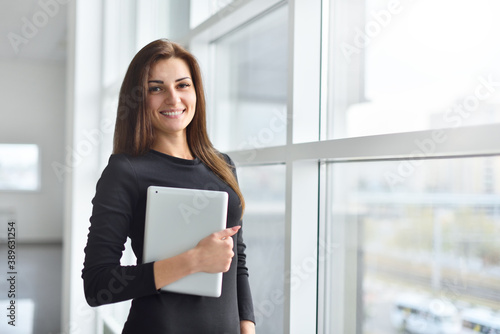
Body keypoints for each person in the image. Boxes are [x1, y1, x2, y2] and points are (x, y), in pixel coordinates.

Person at [82, 39, 256, 333]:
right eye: (156, 88)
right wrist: (194, 261)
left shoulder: (222, 165)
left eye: (182, 85)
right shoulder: (125, 171)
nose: (173, 99)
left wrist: (247, 325)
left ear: (196, 91)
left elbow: (236, 258)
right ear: (139, 98)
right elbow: (98, 285)